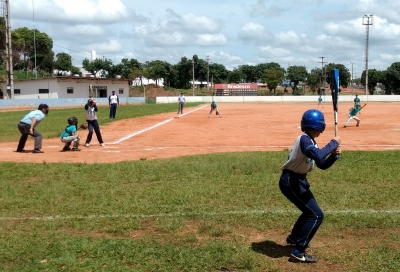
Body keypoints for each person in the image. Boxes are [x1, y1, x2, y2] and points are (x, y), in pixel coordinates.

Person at [279, 109, 341, 263]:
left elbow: (322, 164)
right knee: (316, 215)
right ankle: (299, 251)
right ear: (319, 126)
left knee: (309, 212)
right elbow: (319, 155)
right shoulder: (305, 140)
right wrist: (334, 143)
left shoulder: (311, 142)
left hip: (298, 181)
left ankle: (294, 238)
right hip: (291, 181)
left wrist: (334, 155)